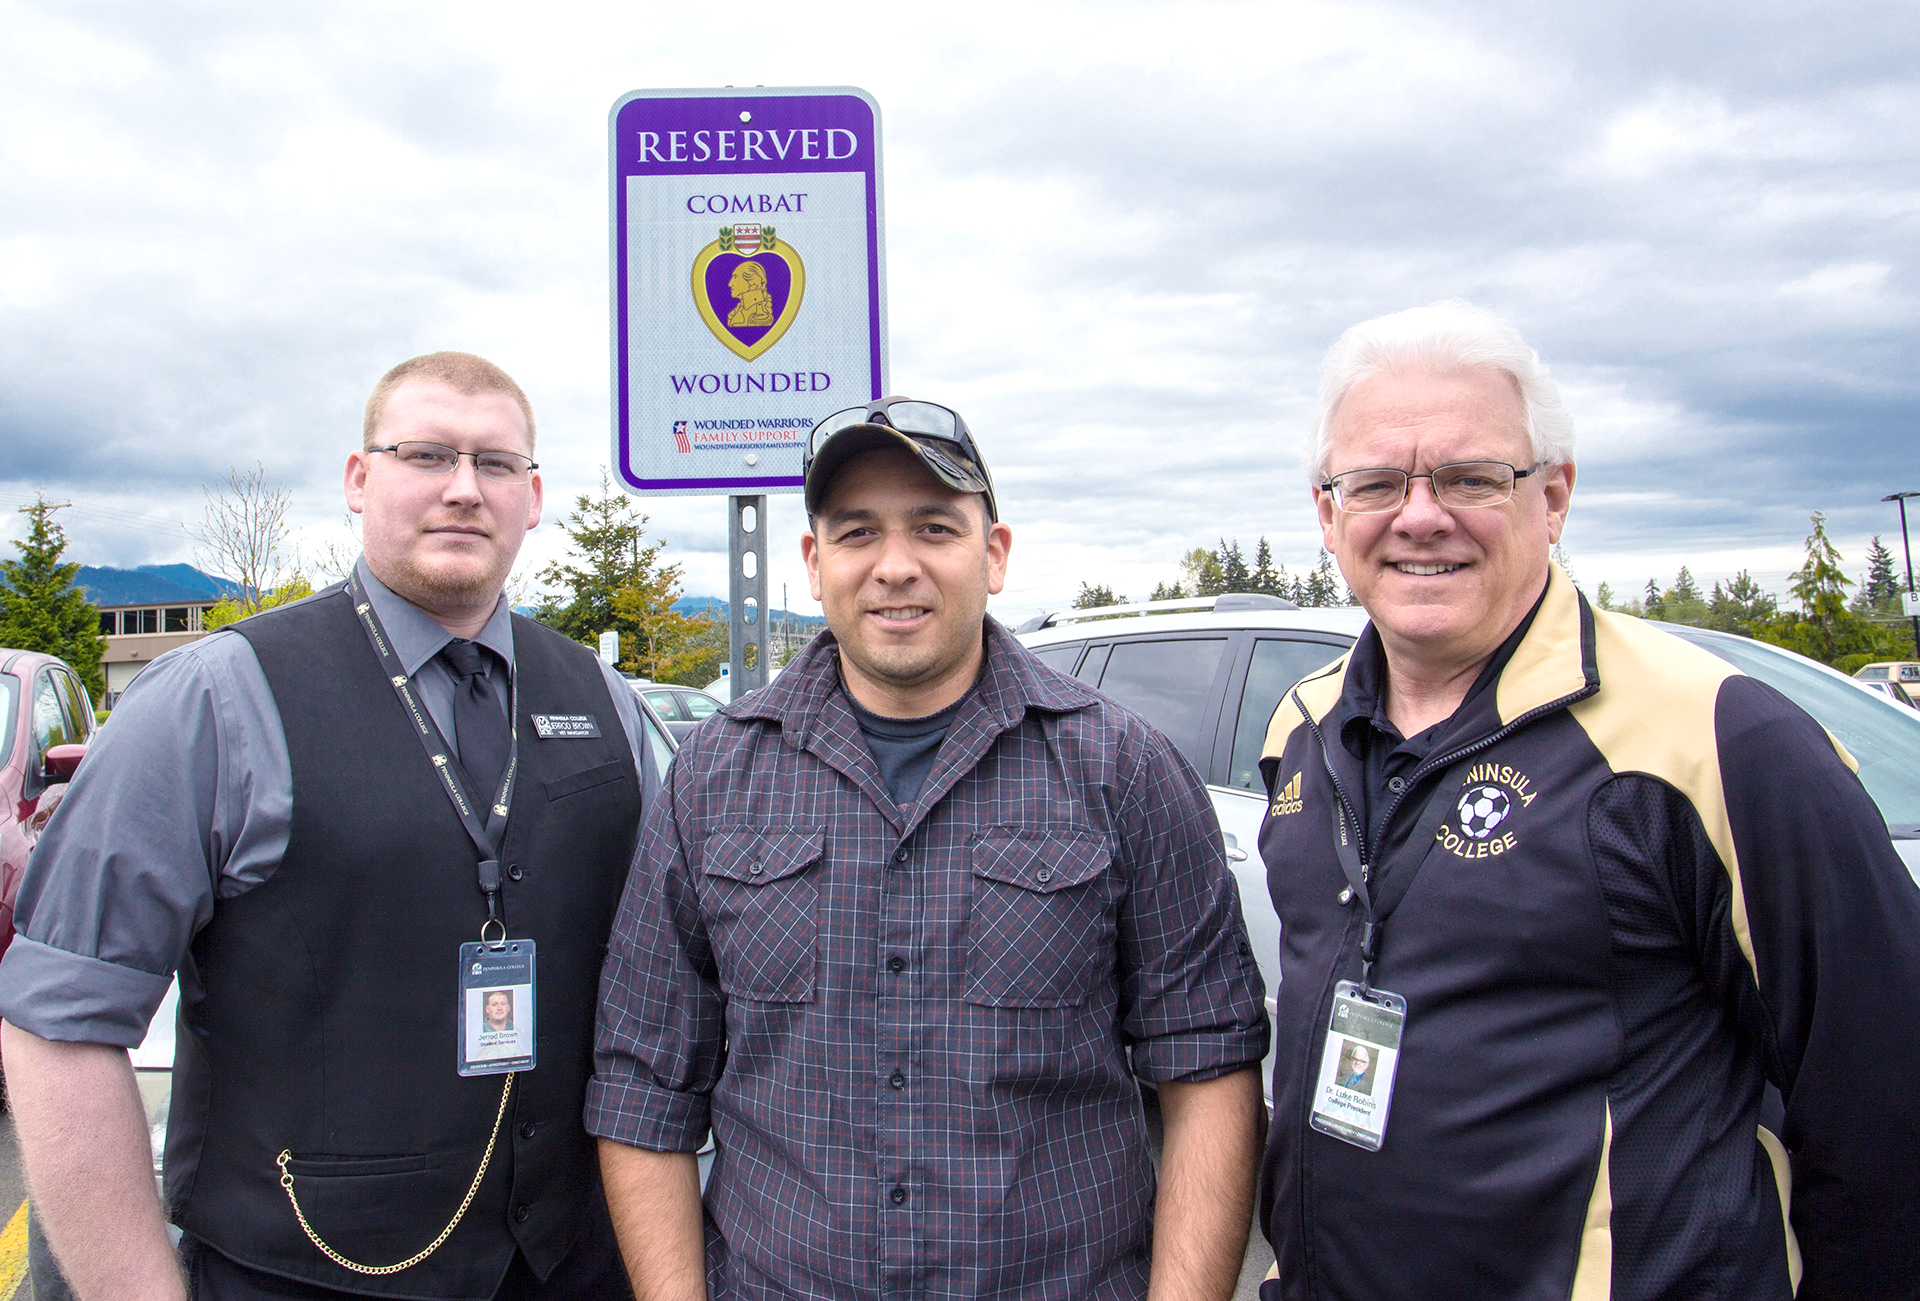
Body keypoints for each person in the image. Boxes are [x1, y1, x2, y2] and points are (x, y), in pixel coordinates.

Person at [1255, 301, 1920, 1299]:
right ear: (1327, 510)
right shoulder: (1298, 732)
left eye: (1473, 477)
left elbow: (1886, 1121)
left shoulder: (1720, 740)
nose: (1421, 513)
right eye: (1378, 482)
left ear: (1554, 496)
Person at [0, 352, 653, 1300]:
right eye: (427, 454)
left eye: (497, 464)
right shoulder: (214, 701)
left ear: (534, 494)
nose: (464, 490)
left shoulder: (605, 701)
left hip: (569, 1270)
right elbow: (59, 1027)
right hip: (296, 1272)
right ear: (359, 479)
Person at [590, 397, 1270, 1300]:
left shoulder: (1125, 770)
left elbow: (1209, 1072)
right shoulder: (713, 778)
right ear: (814, 560)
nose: (895, 566)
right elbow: (645, 1085)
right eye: (858, 531)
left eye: (935, 527)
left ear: (994, 555)